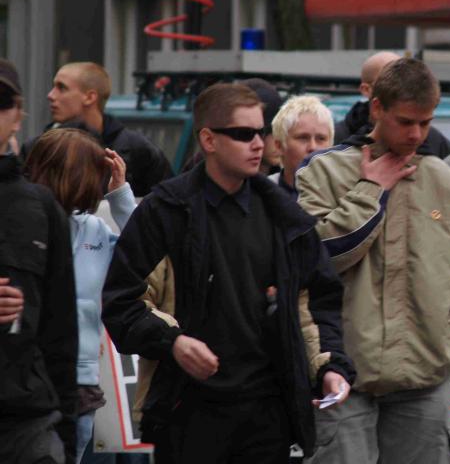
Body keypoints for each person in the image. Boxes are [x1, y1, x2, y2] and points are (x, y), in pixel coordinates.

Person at [101, 82, 354, 464]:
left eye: (262, 132)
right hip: (189, 410)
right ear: (208, 139)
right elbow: (123, 301)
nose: (258, 143)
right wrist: (174, 342)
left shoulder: (284, 217)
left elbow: (316, 300)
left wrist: (329, 367)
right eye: (243, 134)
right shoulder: (166, 212)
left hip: (267, 411)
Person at [296, 57, 450, 464]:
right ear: (377, 108)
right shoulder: (323, 172)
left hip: (426, 378)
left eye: (426, 123)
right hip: (344, 374)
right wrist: (370, 189)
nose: (416, 134)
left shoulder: (445, 183)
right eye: (405, 121)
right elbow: (315, 260)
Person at [25, 128, 136, 462]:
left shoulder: (95, 231)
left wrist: (121, 197)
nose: (100, 183)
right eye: (95, 173)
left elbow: (145, 256)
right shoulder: (22, 221)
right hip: (26, 374)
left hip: (81, 376)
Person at [0, 58, 79, 464]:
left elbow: (60, 330)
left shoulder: (39, 207)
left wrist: (64, 431)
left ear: (17, 117)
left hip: (26, 419)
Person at [20, 62, 172, 197]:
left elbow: (168, 204)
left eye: (62, 88)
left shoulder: (139, 150)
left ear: (90, 97)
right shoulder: (35, 149)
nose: (50, 95)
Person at [334, 51, 450, 158]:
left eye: (424, 123)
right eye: (386, 79)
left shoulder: (435, 142)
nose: (415, 135)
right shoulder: (337, 140)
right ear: (366, 89)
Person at [269, 95, 334, 197]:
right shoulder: (260, 195)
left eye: (321, 139)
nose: (313, 147)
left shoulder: (346, 194)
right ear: (279, 146)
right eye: (303, 138)